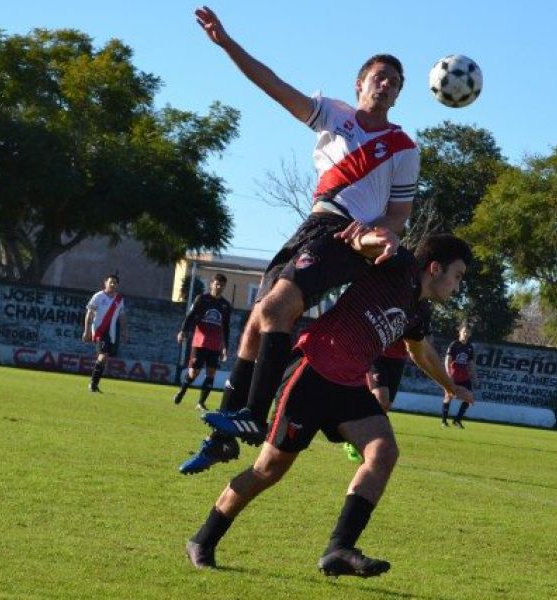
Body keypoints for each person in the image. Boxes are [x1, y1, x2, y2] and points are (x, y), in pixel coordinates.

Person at [193, 6, 420, 455]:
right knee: (256, 324)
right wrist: (227, 45)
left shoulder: (403, 148)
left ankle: (253, 418)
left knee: (276, 308)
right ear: (360, 84)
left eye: (394, 81)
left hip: (344, 237)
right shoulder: (334, 115)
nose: (386, 83)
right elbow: (273, 86)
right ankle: (223, 438)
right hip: (310, 226)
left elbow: (398, 214)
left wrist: (371, 235)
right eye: (379, 76)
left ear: (397, 96)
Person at [181, 234, 475, 577]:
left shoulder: (417, 310)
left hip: (349, 385)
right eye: (457, 276)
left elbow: (420, 351)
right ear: (435, 268)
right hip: (312, 372)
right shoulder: (400, 264)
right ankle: (203, 540)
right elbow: (364, 245)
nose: (457, 286)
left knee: (384, 452)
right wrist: (361, 232)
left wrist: (450, 386)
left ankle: (339, 548)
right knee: (268, 471)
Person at [344, 333, 415, 463]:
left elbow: (425, 339)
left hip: (399, 359)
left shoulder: (421, 314)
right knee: (381, 400)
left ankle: (358, 435)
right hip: (378, 354)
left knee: (385, 406)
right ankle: (356, 440)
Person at [173, 273, 232, 410]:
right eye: (217, 283)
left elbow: (226, 327)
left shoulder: (225, 305)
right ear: (211, 284)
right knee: (194, 372)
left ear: (224, 286)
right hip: (200, 342)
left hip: (215, 345)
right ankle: (182, 391)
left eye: (222, 285)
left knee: (211, 373)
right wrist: (183, 331)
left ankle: (200, 403)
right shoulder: (202, 299)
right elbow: (190, 315)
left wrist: (225, 347)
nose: (219, 286)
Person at [81, 274, 127, 393]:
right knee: (102, 356)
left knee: (104, 358)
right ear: (105, 283)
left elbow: (122, 316)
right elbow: (89, 314)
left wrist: (124, 332)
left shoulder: (119, 299)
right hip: (99, 330)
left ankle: (94, 383)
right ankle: (92, 384)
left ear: (117, 285)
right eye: (110, 282)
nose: (112, 284)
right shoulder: (98, 296)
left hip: (111, 333)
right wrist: (86, 331)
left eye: (115, 283)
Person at [442, 324, 476, 428]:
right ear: (460, 332)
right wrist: (448, 374)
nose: (466, 334)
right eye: (464, 331)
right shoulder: (454, 345)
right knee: (448, 396)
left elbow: (470, 363)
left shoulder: (470, 347)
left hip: (464, 376)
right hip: (454, 375)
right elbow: (448, 360)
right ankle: (444, 421)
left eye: (468, 332)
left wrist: (474, 375)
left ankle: (457, 420)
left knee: (469, 398)